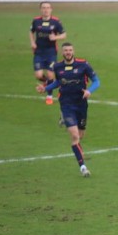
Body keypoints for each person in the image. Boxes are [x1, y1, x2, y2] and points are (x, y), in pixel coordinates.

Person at [36, 43, 100, 177]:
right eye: (65, 50)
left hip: (81, 104)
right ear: (62, 52)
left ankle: (64, 120)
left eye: (70, 50)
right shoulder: (58, 66)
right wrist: (45, 88)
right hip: (66, 104)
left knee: (81, 136)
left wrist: (89, 90)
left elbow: (96, 81)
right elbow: (58, 82)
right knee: (75, 136)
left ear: (73, 51)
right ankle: (83, 167)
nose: (68, 52)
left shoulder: (83, 65)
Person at [29, 2, 67, 105]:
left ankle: (49, 95)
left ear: (51, 9)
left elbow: (64, 35)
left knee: (50, 74)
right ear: (41, 9)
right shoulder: (36, 21)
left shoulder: (56, 21)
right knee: (38, 75)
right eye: (44, 8)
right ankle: (48, 83)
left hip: (51, 53)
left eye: (48, 8)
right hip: (39, 53)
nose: (46, 10)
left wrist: (55, 37)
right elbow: (31, 32)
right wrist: (32, 42)